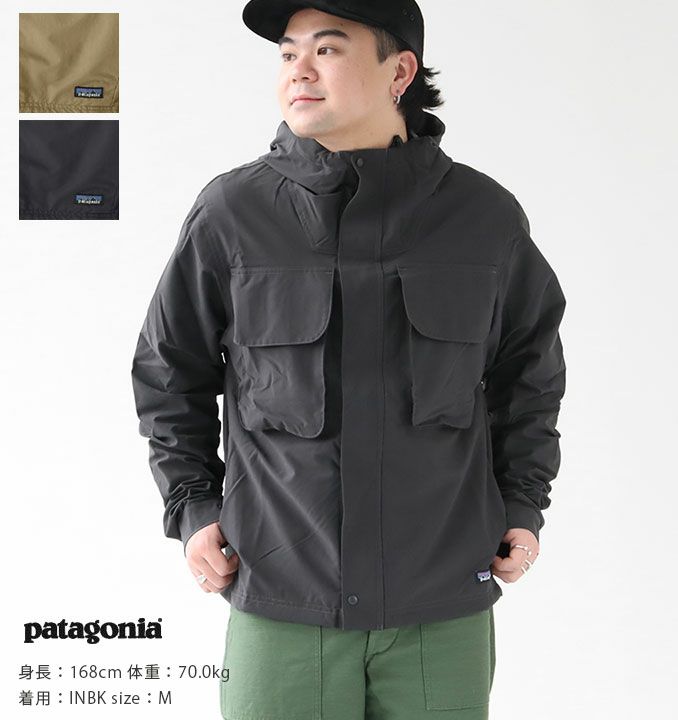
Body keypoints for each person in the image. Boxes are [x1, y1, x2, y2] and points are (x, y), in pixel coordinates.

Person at [130, 1, 567, 717]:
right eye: (287, 53)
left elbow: (530, 376)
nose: (298, 71)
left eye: (327, 50)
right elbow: (169, 371)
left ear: (400, 71)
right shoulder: (233, 214)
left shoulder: (483, 217)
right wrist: (193, 504)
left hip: (442, 607)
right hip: (281, 594)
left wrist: (522, 502)